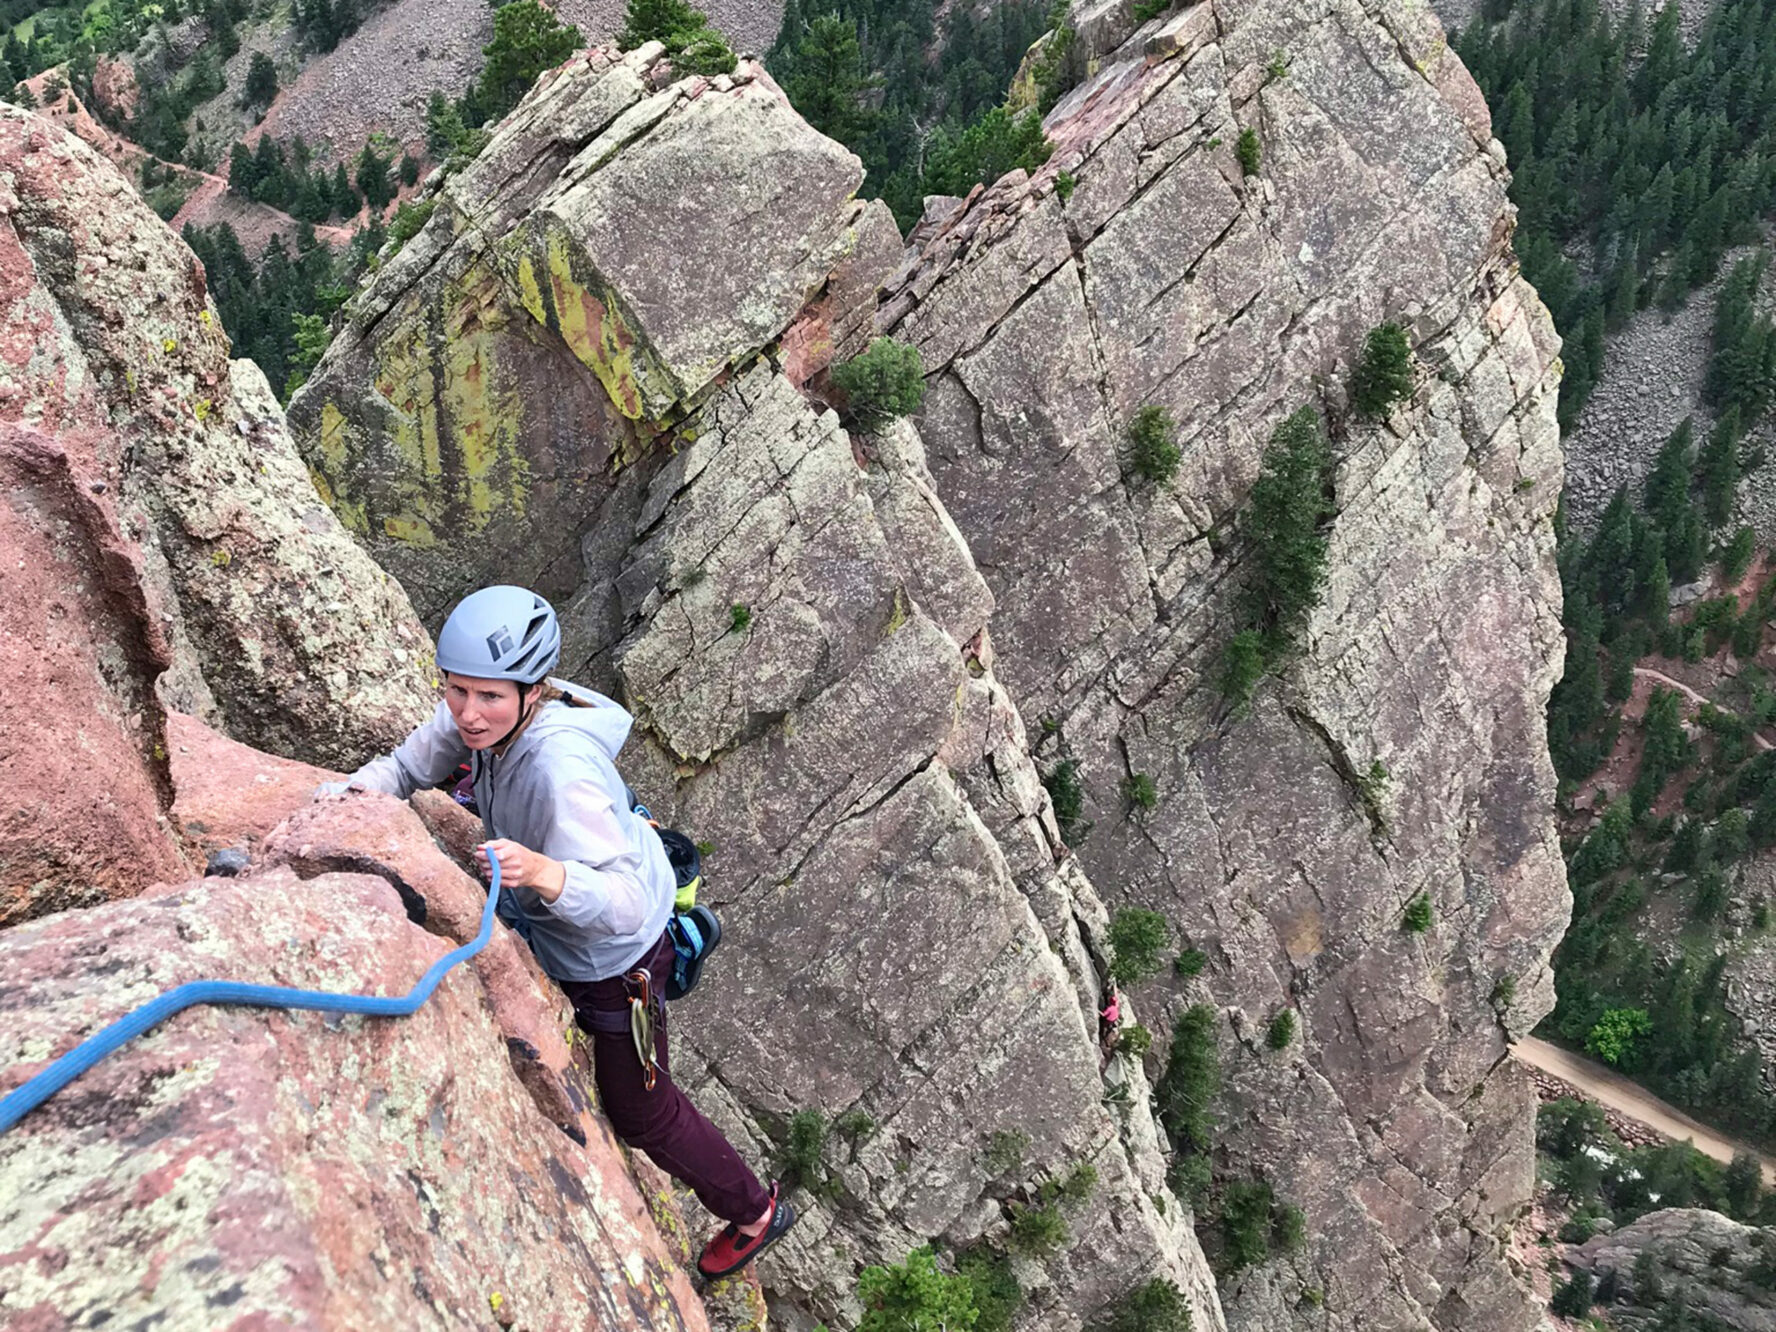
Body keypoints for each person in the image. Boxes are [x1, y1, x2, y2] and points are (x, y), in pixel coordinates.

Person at [321, 584, 795, 1279]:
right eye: (456, 691)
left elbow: (627, 908)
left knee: (641, 1115)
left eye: (487, 697)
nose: (467, 713)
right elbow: (404, 766)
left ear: (530, 691)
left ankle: (756, 1211)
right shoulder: (489, 714)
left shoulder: (556, 769)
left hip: (617, 957)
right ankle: (681, 929)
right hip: (573, 903)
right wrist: (341, 799)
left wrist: (547, 874)